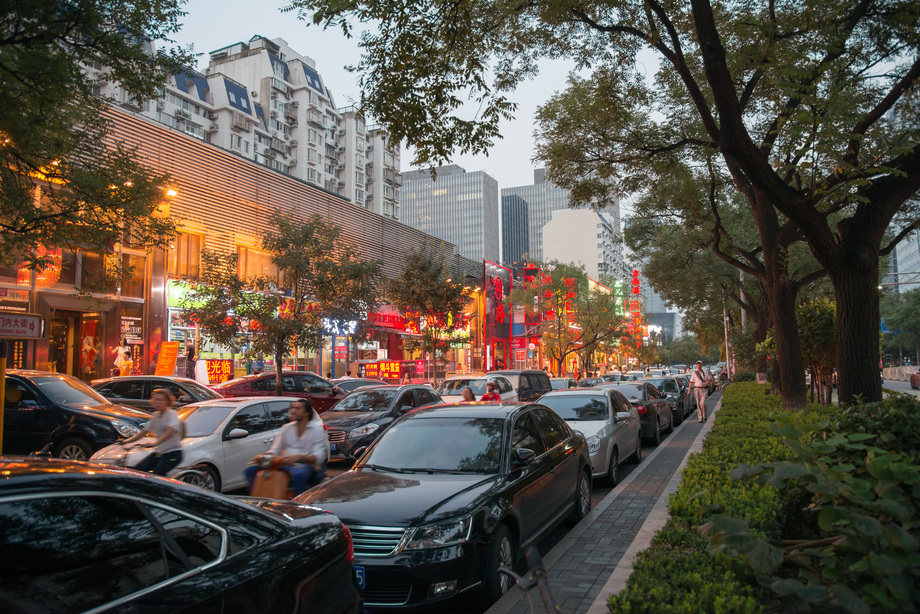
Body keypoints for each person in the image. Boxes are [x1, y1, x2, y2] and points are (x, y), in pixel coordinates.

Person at [244, 399, 328, 496]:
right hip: (283, 463)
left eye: (297, 408)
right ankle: (255, 499)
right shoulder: (286, 428)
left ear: (306, 413)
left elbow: (318, 456)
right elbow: (275, 449)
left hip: (303, 465)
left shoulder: (316, 431)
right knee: (250, 470)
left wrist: (300, 457)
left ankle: (297, 501)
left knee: (299, 474)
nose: (293, 411)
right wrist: (265, 456)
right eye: (292, 408)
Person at [119, 389, 183, 476]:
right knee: (139, 471)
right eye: (156, 400)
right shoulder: (156, 415)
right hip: (160, 452)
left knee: (156, 475)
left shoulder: (172, 414)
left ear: (167, 402)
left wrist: (156, 443)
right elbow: (145, 431)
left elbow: (171, 430)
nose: (158, 402)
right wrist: (127, 441)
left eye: (161, 400)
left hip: (172, 454)